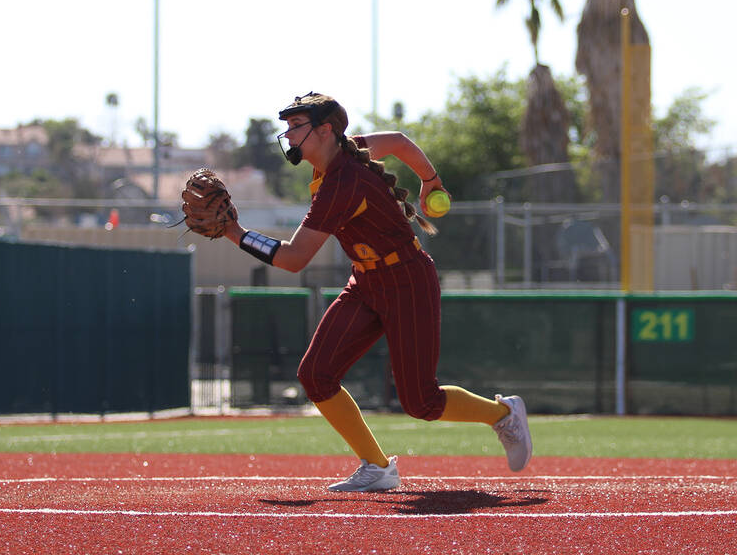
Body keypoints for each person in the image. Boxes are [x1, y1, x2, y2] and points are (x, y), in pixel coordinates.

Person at [219, 92, 532, 492]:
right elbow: (400, 141)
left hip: (407, 280)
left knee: (422, 403)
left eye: (296, 125)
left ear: (325, 129)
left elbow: (295, 259)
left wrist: (236, 234)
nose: (288, 134)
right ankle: (377, 467)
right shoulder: (348, 153)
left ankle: (502, 413)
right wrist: (431, 181)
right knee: (316, 375)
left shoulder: (342, 183)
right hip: (366, 281)